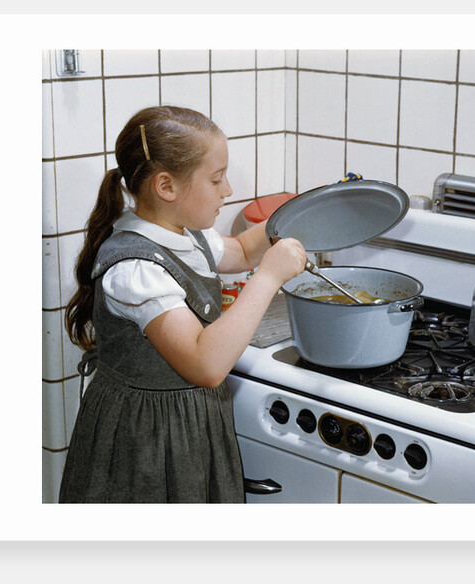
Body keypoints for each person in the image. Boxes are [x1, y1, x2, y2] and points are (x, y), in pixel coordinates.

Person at [59, 106, 307, 503]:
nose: (227, 190)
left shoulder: (184, 233)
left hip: (189, 427)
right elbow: (205, 364)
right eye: (216, 179)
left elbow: (242, 250)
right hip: (145, 439)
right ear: (166, 187)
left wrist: (299, 212)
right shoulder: (136, 269)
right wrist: (269, 276)